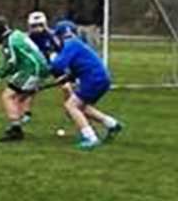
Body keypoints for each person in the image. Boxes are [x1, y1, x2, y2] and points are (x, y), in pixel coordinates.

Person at [47, 20, 125, 150]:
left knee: (70, 106)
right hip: (101, 78)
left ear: (60, 35)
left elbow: (58, 65)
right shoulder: (77, 43)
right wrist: (66, 78)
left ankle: (90, 138)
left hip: (93, 79)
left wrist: (52, 58)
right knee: (82, 107)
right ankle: (112, 124)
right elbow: (79, 68)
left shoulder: (70, 44)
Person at [0, 16, 49, 142]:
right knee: (18, 97)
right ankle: (18, 122)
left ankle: (16, 130)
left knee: (7, 96)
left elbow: (10, 64)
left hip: (32, 69)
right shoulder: (17, 34)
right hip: (41, 67)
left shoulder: (9, 41)